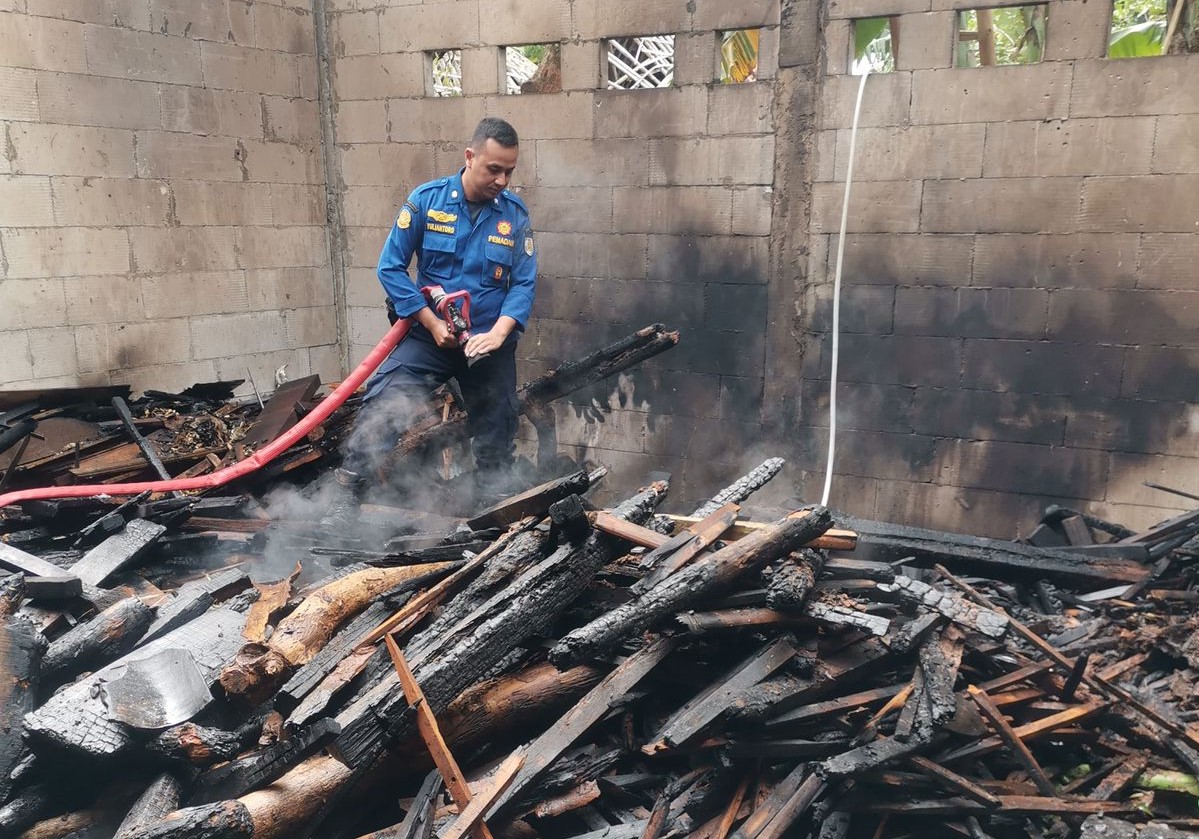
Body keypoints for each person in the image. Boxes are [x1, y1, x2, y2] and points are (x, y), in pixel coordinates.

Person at [321, 117, 537, 531]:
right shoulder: (427, 201)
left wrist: (499, 334)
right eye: (494, 169)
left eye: (509, 170)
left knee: (497, 420)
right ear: (470, 157)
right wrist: (431, 323)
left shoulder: (514, 215)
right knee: (384, 402)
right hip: (430, 336)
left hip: (488, 343)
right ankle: (347, 497)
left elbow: (524, 282)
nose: (502, 180)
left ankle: (494, 507)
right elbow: (391, 267)